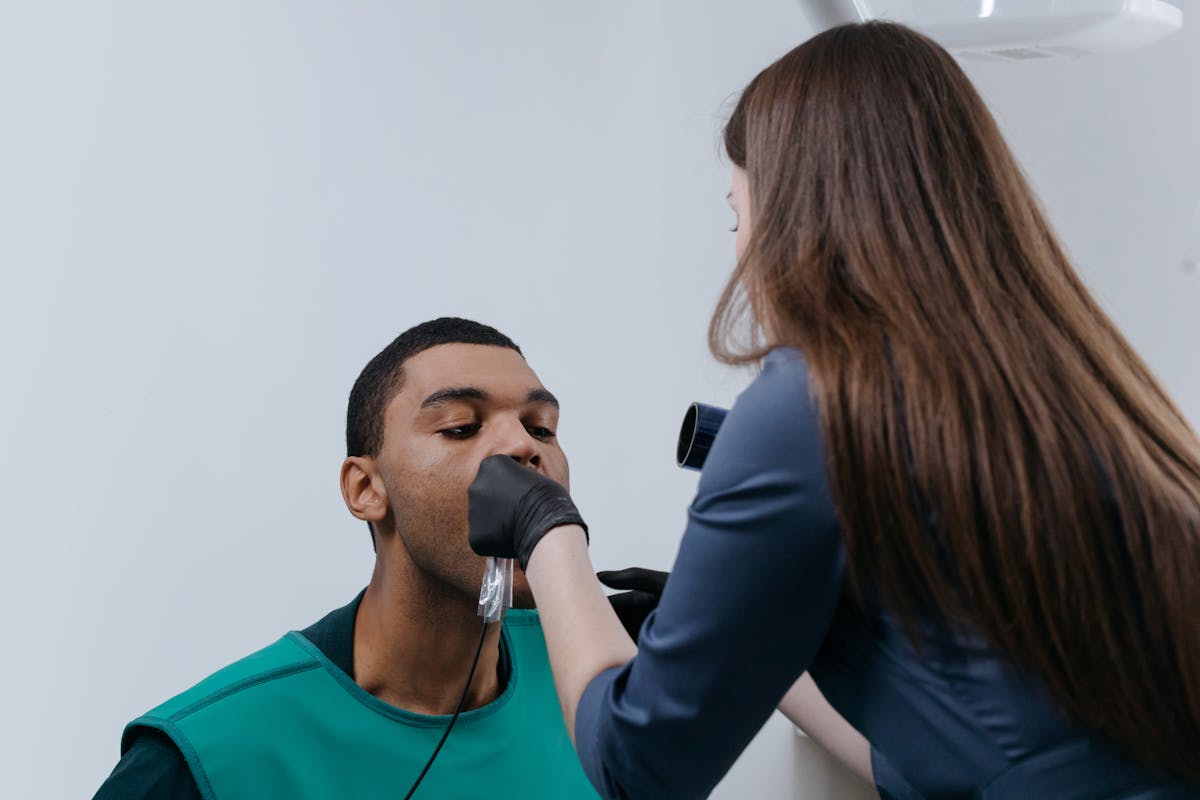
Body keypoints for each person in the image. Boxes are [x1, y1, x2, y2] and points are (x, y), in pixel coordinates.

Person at [466, 22, 1200, 800]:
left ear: (797, 213)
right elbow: (962, 750)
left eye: (737, 215)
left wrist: (547, 533)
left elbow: (638, 766)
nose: (740, 252)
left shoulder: (806, 407)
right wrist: (760, 647)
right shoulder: (1074, 391)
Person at [93, 318, 611, 799]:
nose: (523, 446)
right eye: (460, 427)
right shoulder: (201, 761)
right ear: (366, 488)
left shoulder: (604, 698)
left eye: (541, 427)